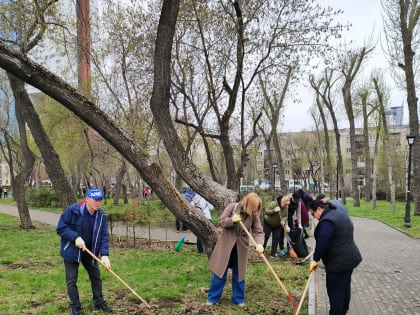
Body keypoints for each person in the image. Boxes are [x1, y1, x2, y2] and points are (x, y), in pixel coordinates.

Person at [56, 188, 113, 315]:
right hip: (72, 249)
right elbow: (61, 227)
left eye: (100, 200)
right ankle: (75, 307)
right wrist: (75, 237)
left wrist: (104, 255)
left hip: (89, 251)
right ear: (87, 199)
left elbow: (104, 235)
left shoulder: (101, 215)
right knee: (71, 280)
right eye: (95, 200)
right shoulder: (73, 210)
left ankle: (99, 302)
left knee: (96, 276)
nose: (98, 203)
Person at [206, 192, 264, 307]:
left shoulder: (254, 215)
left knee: (239, 273)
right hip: (226, 246)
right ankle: (213, 298)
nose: (254, 212)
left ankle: (238, 299)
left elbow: (258, 231)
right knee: (220, 271)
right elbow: (221, 221)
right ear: (247, 204)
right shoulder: (232, 207)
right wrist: (232, 220)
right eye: (253, 208)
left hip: (241, 247)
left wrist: (260, 244)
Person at [308, 199, 362, 315]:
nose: (314, 217)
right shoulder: (337, 213)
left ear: (319, 209)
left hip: (338, 263)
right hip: (350, 258)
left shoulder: (327, 221)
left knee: (335, 292)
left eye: (313, 214)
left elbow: (322, 241)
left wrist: (315, 259)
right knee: (344, 287)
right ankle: (343, 311)